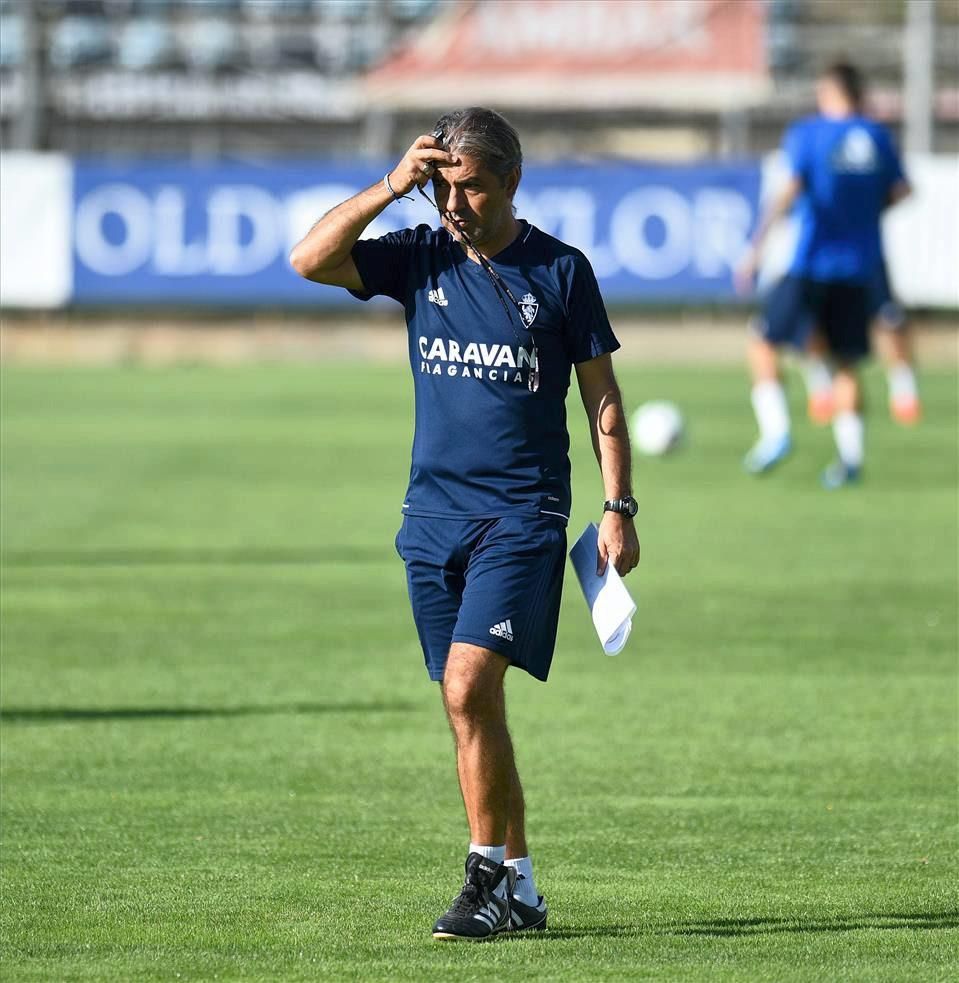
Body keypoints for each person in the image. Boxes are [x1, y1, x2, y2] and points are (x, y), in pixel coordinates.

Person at [289, 107, 640, 940]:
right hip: (428, 520)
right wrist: (389, 185)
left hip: (521, 516)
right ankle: (520, 890)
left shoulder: (560, 271)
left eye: (469, 185)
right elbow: (307, 259)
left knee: (466, 687)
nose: (453, 203)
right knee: (470, 709)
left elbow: (602, 397)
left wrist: (616, 505)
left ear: (510, 181)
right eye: (441, 185)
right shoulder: (419, 257)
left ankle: (482, 878)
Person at [737, 61, 911, 487]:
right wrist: (867, 214)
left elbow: (791, 188)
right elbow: (902, 190)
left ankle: (776, 433)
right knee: (846, 362)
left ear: (828, 92)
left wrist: (756, 247)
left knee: (762, 342)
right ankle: (850, 461)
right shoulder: (877, 137)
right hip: (859, 266)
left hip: (812, 263)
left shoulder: (810, 134)